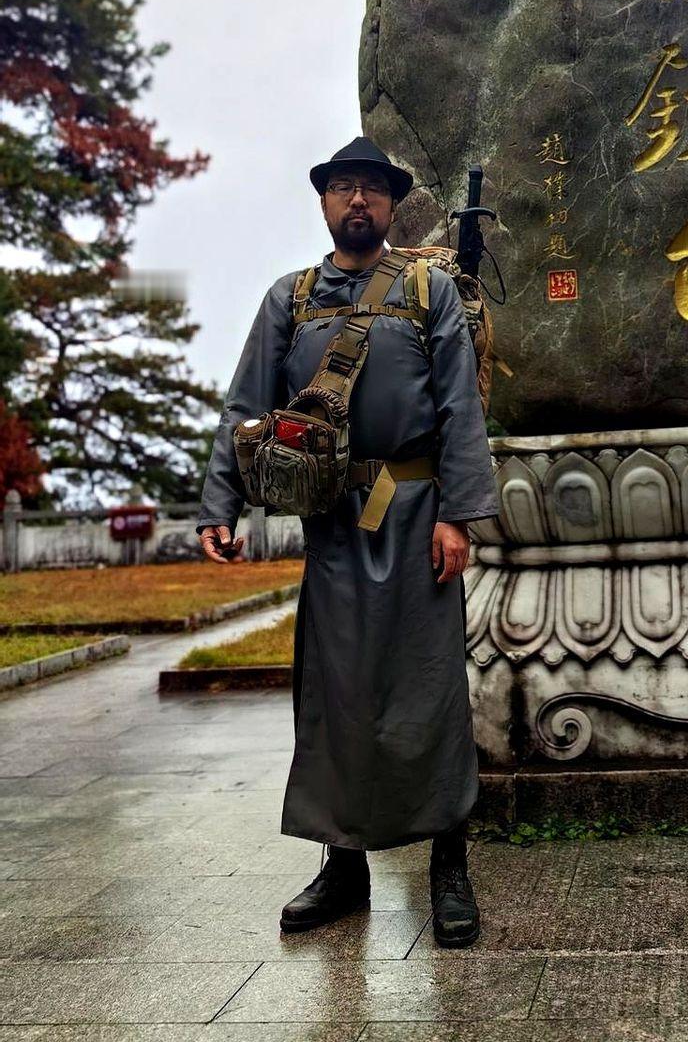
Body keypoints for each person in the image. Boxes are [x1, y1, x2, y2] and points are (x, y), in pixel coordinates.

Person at [194, 135, 501, 944]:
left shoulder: (427, 289)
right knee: (334, 698)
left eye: (370, 188)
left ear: (392, 203)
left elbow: (461, 408)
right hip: (332, 521)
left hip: (414, 512)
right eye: (342, 188)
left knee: (428, 693)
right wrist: (217, 504)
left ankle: (449, 865)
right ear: (324, 201)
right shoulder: (288, 300)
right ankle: (343, 867)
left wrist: (457, 515)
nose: (356, 200)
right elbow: (243, 410)